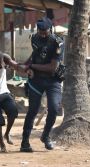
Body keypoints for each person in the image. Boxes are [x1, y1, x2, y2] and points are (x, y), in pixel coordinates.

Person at [20, 18, 65, 152]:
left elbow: (52, 67)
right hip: (36, 80)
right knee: (32, 110)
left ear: (50, 29)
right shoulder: (34, 38)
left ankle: (46, 136)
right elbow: (35, 54)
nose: (43, 34)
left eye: (45, 32)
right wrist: (27, 66)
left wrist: (31, 65)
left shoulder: (58, 43)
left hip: (53, 80)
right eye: (40, 32)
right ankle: (25, 142)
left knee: (53, 108)